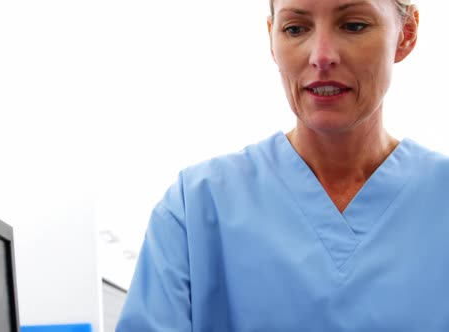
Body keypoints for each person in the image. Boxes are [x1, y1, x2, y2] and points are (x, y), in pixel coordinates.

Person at [115, 0, 440, 330]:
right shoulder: (196, 209)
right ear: (273, 38)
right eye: (295, 29)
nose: (322, 56)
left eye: (353, 25)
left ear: (406, 34)